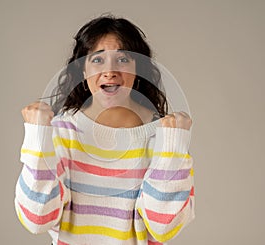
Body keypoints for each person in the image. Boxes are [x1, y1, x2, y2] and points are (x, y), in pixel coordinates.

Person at [15, 15, 195, 245]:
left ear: (138, 69)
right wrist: (37, 138)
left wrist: (173, 148)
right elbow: (36, 220)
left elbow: (163, 227)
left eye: (122, 59)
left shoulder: (165, 137)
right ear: (82, 71)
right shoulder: (62, 131)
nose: (110, 71)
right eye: (98, 60)